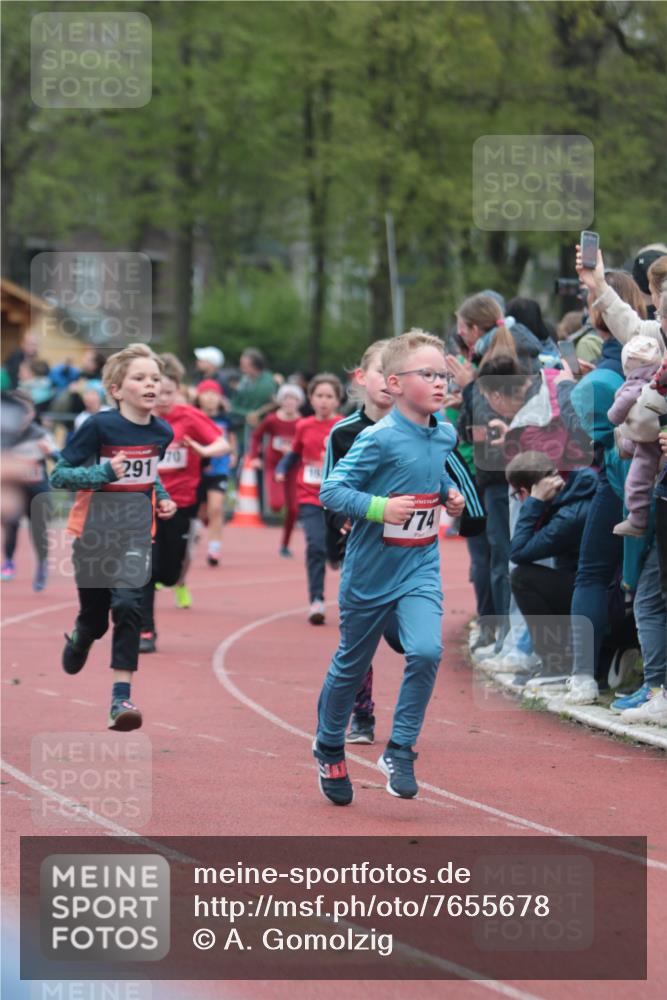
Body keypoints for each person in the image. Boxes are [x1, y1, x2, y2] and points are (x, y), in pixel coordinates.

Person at [314, 330, 465, 805]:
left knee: (425, 651)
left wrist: (447, 495)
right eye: (428, 375)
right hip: (370, 572)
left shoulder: (445, 432)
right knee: (351, 664)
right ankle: (329, 744)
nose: (440, 383)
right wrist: (380, 508)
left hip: (420, 564)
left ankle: (399, 748)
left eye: (444, 374)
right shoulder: (376, 439)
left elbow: (430, 473)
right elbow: (331, 492)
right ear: (396, 383)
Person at [50, 343, 177, 732]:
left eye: (155, 378)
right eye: (139, 378)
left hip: (137, 534)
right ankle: (81, 637)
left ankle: (121, 698)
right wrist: (103, 475)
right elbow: (59, 475)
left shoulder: (162, 431)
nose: (150, 384)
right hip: (93, 535)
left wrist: (164, 497)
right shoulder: (99, 427)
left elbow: (149, 473)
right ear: (118, 389)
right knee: (96, 619)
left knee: (127, 606)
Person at [139, 356, 230, 650]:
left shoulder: (188, 416)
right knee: (146, 567)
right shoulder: (140, 417)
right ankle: (146, 631)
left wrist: (204, 450)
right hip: (145, 500)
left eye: (168, 392)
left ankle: (171, 581)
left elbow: (223, 443)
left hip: (181, 502)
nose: (162, 398)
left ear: (178, 391)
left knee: (169, 573)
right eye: (157, 391)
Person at [505, 452, 597, 682]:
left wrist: (534, 504)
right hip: (596, 591)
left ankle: (557, 664)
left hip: (602, 599)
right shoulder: (575, 490)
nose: (520, 500)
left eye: (518, 495)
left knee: (523, 578)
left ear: (525, 491)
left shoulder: (569, 515)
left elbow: (519, 552)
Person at [276, 374, 343, 624]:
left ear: (337, 400)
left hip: (338, 498)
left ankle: (335, 556)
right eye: (319, 396)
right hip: (310, 495)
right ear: (311, 398)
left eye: (329, 396)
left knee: (336, 548)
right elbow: (294, 453)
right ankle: (316, 600)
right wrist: (283, 468)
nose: (324, 401)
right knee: (315, 546)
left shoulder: (343, 426)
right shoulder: (303, 425)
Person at [607, 334, 664, 536]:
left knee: (638, 477)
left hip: (650, 440)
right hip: (658, 434)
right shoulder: (657, 375)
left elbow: (620, 407)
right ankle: (626, 444)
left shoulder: (636, 383)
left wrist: (612, 417)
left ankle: (637, 519)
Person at [1, 391, 58, 591]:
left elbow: (61, 461)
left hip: (38, 490)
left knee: (38, 530)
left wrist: (51, 452)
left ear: (33, 413)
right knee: (11, 524)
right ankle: (8, 562)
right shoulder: (5, 435)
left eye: (27, 411)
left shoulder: (40, 435)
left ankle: (42, 566)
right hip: (18, 490)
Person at [249, 382, 304, 557]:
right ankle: (277, 514)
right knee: (276, 504)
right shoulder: (272, 419)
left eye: (293, 399)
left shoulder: (302, 422)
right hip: (273, 467)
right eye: (286, 398)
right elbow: (256, 436)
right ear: (281, 401)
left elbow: (307, 442)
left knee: (294, 509)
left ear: (298, 402)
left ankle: (285, 544)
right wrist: (254, 456)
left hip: (293, 468)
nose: (289, 402)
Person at [195, 379, 237, 566]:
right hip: (197, 470)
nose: (210, 398)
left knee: (216, 508)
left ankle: (214, 548)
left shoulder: (226, 419)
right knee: (201, 513)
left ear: (220, 398)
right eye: (206, 393)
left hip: (219, 469)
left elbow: (232, 441)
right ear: (199, 397)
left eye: (214, 394)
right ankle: (201, 528)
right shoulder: (194, 416)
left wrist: (233, 454)